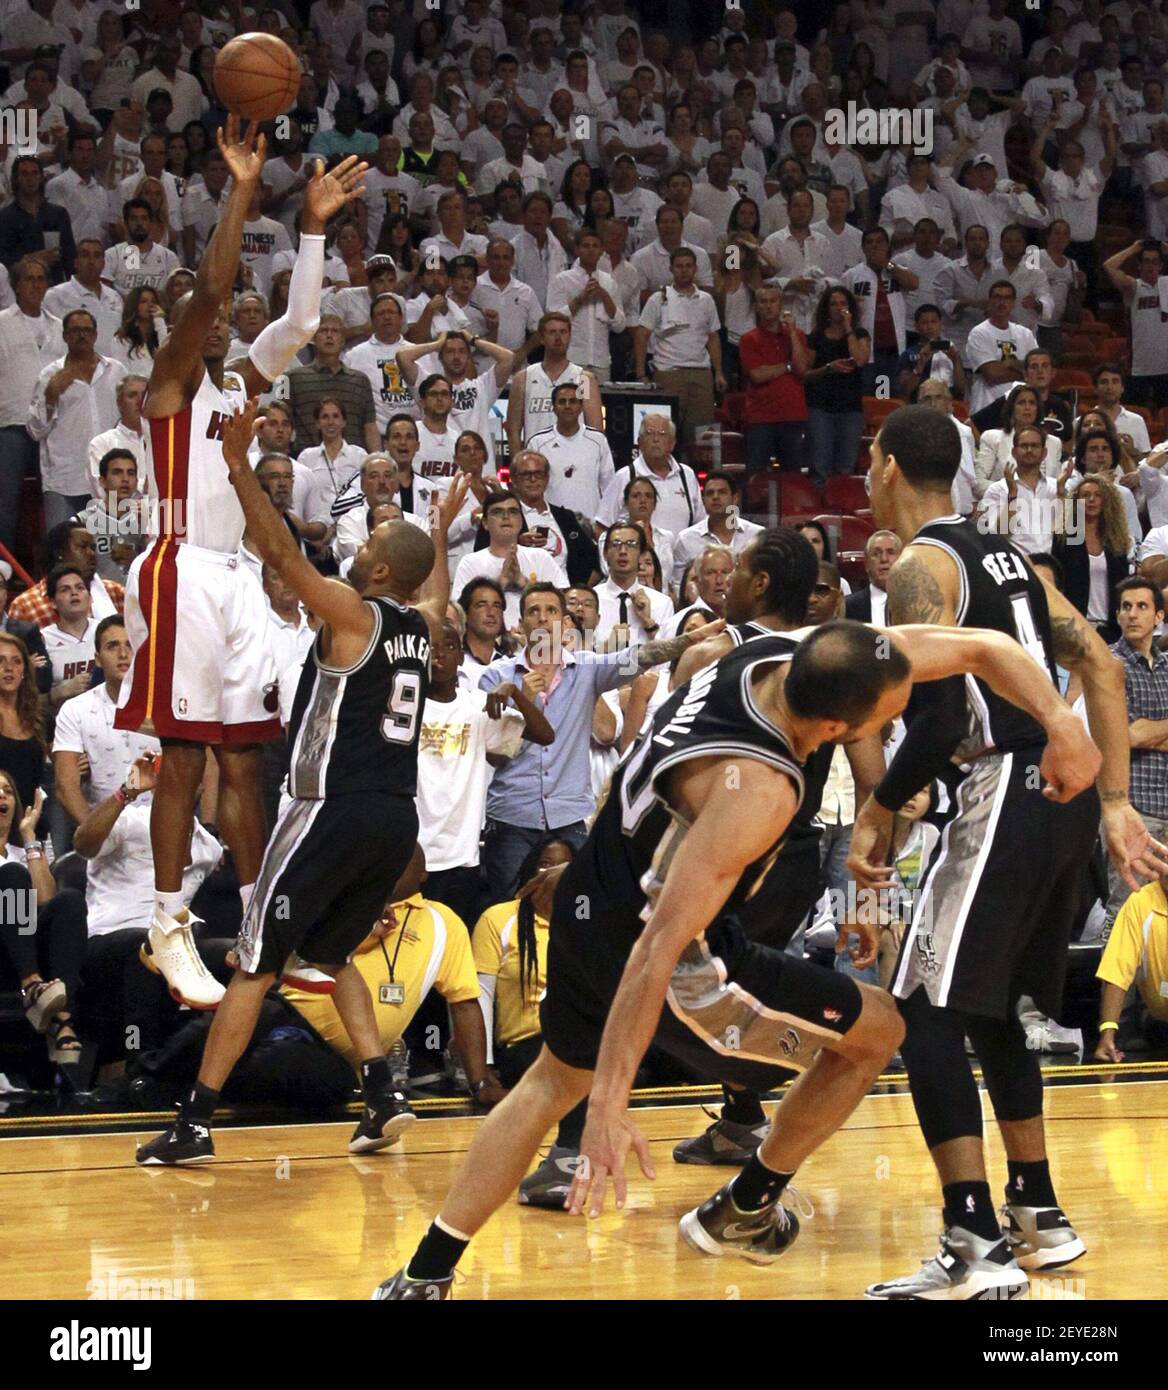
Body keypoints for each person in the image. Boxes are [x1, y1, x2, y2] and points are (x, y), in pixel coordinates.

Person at [376, 595, 1102, 1297]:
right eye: (884, 722)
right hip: (671, 953)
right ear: (832, 723)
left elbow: (986, 646)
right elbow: (656, 949)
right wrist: (611, 1103)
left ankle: (424, 1274)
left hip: (590, 892)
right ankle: (745, 1210)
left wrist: (1059, 725)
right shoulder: (759, 788)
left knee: (549, 1080)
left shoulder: (778, 653)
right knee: (882, 1030)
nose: (893, 728)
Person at [853, 403, 1167, 1299]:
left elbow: (945, 716)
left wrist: (878, 811)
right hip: (1061, 797)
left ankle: (972, 1242)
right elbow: (1102, 665)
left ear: (882, 466)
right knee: (986, 1010)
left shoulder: (923, 564)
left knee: (918, 1007)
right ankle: (1039, 1214)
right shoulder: (1012, 562)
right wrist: (1110, 800)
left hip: (1005, 786)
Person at [136, 403, 464, 1166]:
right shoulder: (423, 622)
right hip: (394, 821)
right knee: (332, 955)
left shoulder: (356, 614)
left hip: (330, 808)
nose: (358, 541)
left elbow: (284, 559)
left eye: (371, 541)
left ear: (380, 572)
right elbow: (435, 586)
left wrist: (239, 467)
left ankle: (195, 1120)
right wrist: (439, 532)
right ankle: (382, 1093)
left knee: (256, 960)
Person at [114, 121, 368, 1011]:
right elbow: (217, 281)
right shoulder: (170, 386)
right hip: (177, 562)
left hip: (234, 581)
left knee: (251, 762)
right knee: (182, 757)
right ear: (174, 321)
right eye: (191, 304)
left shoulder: (239, 388)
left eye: (213, 308)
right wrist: (241, 190)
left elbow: (300, 320)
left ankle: (264, 917)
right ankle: (168, 922)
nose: (212, 309)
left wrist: (310, 223)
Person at [477, 581, 719, 903]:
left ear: (564, 622)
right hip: (512, 816)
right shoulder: (496, 678)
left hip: (570, 816)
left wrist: (688, 641)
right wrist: (526, 699)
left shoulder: (587, 668)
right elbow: (497, 755)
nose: (542, 618)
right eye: (533, 611)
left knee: (579, 909)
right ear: (521, 623)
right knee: (507, 907)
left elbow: (641, 656)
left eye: (551, 610)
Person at [0, 773, 86, 1065]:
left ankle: (62, 1017)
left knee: (70, 900)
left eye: (8, 791)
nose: (2, 796)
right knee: (12, 875)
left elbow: (46, 902)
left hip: (25, 947)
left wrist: (28, 838)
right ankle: (32, 987)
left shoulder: (24, 852)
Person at [1099, 577, 1168, 937]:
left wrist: (1144, 731)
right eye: (1126, 607)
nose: (1132, 614)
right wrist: (1141, 733)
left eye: (1142, 607)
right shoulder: (1108, 665)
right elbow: (1121, 736)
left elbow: (1139, 732)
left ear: (1159, 616)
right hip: (1133, 809)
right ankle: (1110, 996)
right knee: (1127, 914)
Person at [28, 308, 126, 530]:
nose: (82, 335)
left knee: (111, 556)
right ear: (64, 336)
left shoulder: (116, 370)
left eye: (87, 330)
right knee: (64, 551)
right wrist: (50, 396)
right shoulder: (49, 375)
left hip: (109, 481)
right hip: (65, 480)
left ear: (95, 334)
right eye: (75, 331)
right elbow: (34, 431)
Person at [634, 248, 725, 447]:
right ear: (671, 269)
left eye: (688, 266)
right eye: (679, 266)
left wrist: (718, 372)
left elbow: (713, 338)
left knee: (703, 437)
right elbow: (642, 336)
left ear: (695, 269)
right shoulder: (658, 299)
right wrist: (641, 373)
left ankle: (701, 476)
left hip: (701, 373)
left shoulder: (706, 300)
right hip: (669, 373)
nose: (684, 270)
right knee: (664, 431)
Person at [452, 492, 567, 629]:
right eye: (497, 512)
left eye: (512, 512)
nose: (506, 517)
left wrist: (522, 582)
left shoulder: (540, 557)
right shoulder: (470, 562)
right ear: (485, 523)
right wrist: (501, 582)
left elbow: (564, 604)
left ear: (521, 520)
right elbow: (459, 612)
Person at [737, 284, 810, 474]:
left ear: (781, 304)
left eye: (773, 301)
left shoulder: (798, 336)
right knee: (755, 474)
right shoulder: (748, 339)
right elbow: (758, 375)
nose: (768, 306)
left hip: (792, 415)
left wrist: (793, 333)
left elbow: (801, 369)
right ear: (757, 307)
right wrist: (787, 366)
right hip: (761, 417)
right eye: (763, 301)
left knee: (793, 476)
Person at [505, 313, 603, 454]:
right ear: (542, 338)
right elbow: (513, 430)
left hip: (575, 460)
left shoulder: (584, 379)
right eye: (552, 332)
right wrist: (517, 465)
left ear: (569, 336)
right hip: (535, 464)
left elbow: (596, 431)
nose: (558, 338)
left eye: (563, 332)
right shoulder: (523, 378)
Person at [803, 285, 871, 489]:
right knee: (820, 465)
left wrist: (849, 328)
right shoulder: (816, 336)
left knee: (845, 467)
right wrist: (828, 368)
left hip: (850, 408)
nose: (839, 308)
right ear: (826, 308)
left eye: (843, 303)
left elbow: (860, 360)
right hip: (820, 407)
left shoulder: (860, 333)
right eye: (833, 303)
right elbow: (806, 374)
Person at [508, 449, 600, 586]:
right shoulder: (505, 515)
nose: (533, 479)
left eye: (538, 474)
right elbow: (488, 555)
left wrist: (581, 590)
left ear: (547, 479)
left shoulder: (565, 517)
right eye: (526, 475)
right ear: (514, 480)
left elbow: (594, 558)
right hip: (520, 595)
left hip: (563, 595)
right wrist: (517, 544)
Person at [525, 381, 615, 522]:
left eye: (573, 401)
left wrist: (604, 522)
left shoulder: (598, 441)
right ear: (554, 408)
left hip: (590, 522)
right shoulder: (538, 443)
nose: (568, 406)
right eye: (562, 402)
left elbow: (609, 487)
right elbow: (529, 488)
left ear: (580, 407)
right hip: (551, 522)